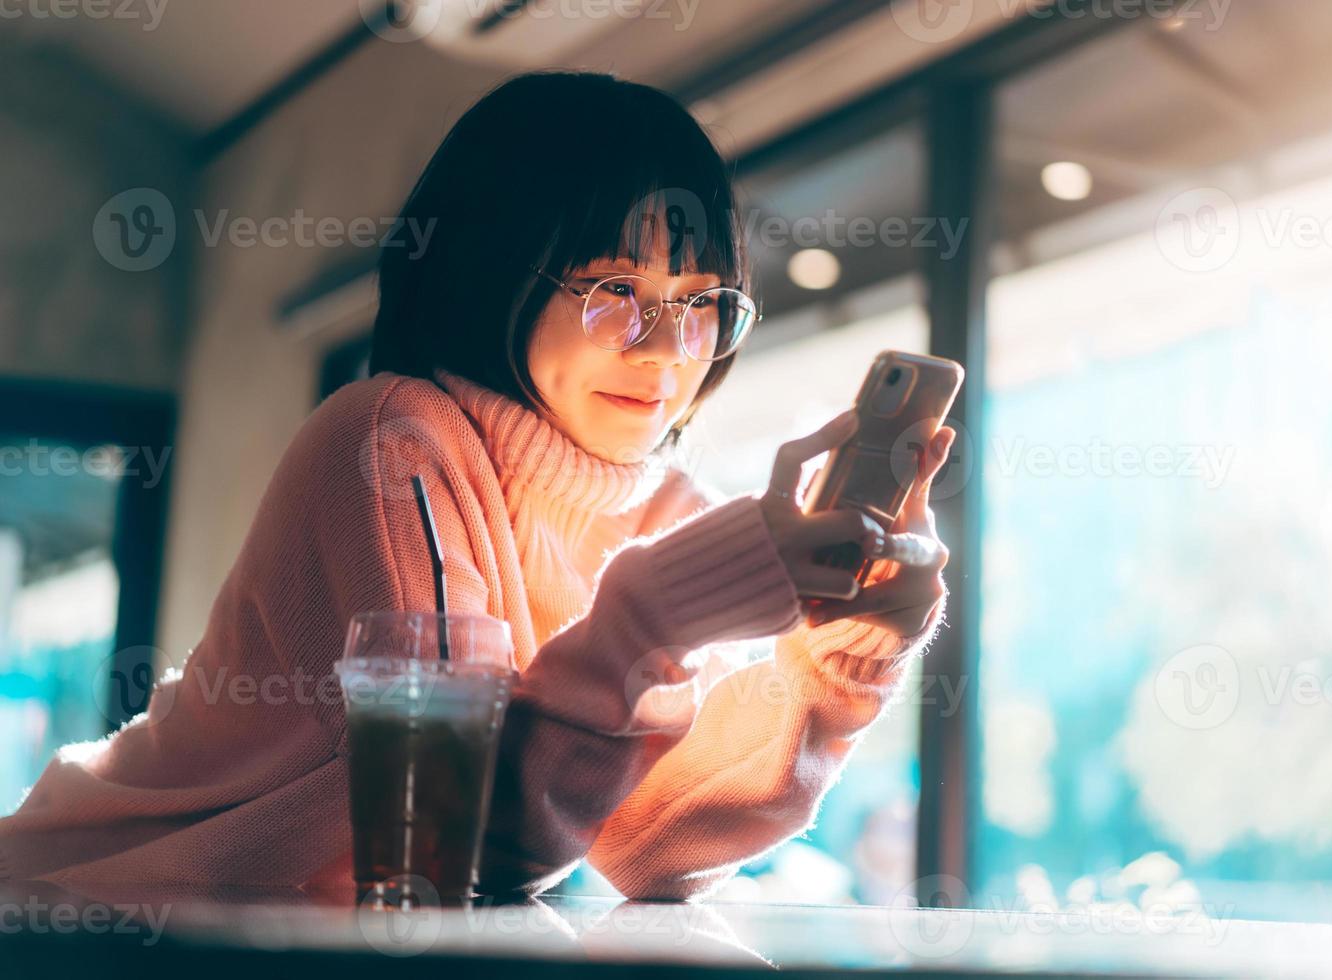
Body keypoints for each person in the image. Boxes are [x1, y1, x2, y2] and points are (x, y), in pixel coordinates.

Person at [0, 70, 953, 901]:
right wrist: (652, 618)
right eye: (615, 290)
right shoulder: (390, 440)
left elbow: (649, 847)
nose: (668, 352)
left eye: (701, 303)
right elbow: (458, 844)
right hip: (79, 902)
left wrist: (836, 668)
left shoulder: (666, 513)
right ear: (495, 272)